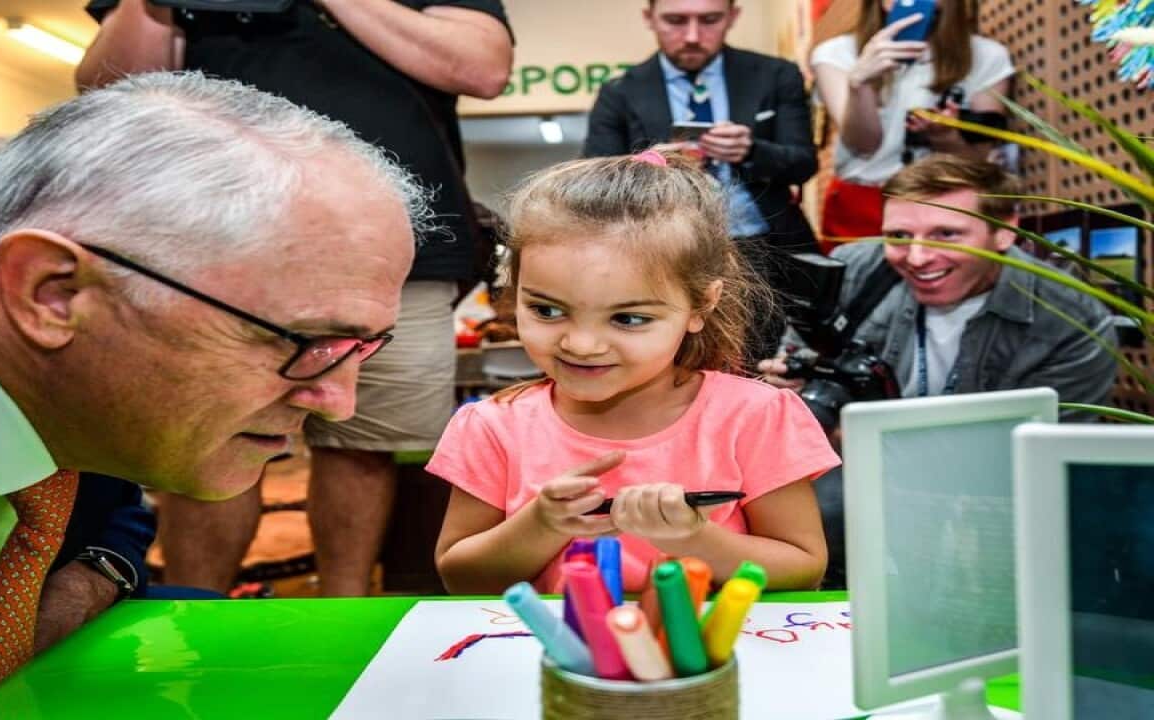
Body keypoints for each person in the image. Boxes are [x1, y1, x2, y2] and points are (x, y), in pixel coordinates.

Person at [0, 72, 421, 715]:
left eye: (361, 347)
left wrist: (76, 587)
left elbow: (117, 517)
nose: (338, 400)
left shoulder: (89, 402)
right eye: (302, 341)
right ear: (53, 292)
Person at [77, 0, 514, 597]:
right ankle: (194, 611)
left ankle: (343, 608)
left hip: (395, 249)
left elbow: (483, 69)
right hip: (212, 243)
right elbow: (111, 86)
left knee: (365, 445)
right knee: (204, 437)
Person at [431, 151, 838, 595]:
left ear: (701, 304)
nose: (581, 345)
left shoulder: (758, 417)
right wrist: (540, 525)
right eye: (547, 310)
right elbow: (460, 578)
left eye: (628, 319)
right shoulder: (492, 427)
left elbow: (804, 567)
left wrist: (694, 539)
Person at [760, 154, 1119, 587]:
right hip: (856, 477)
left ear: (1005, 230)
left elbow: (1044, 461)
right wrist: (786, 388)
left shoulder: (1070, 319)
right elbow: (796, 375)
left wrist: (869, 436)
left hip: (994, 501)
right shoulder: (854, 270)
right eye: (898, 235)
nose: (917, 257)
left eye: (946, 235)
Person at [583, 0, 818, 363]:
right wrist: (648, 166)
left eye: (709, 21)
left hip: (767, 250)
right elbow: (594, 183)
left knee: (764, 367)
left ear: (733, 17)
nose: (692, 36)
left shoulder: (775, 75)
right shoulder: (620, 92)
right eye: (676, 21)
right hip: (664, 253)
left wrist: (752, 150)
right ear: (649, 19)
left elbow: (803, 163)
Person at [810, 0, 1014, 241]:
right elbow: (863, 144)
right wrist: (860, 84)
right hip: (863, 204)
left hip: (949, 200)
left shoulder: (987, 56)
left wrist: (946, 137)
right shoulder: (836, 53)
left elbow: (980, 157)